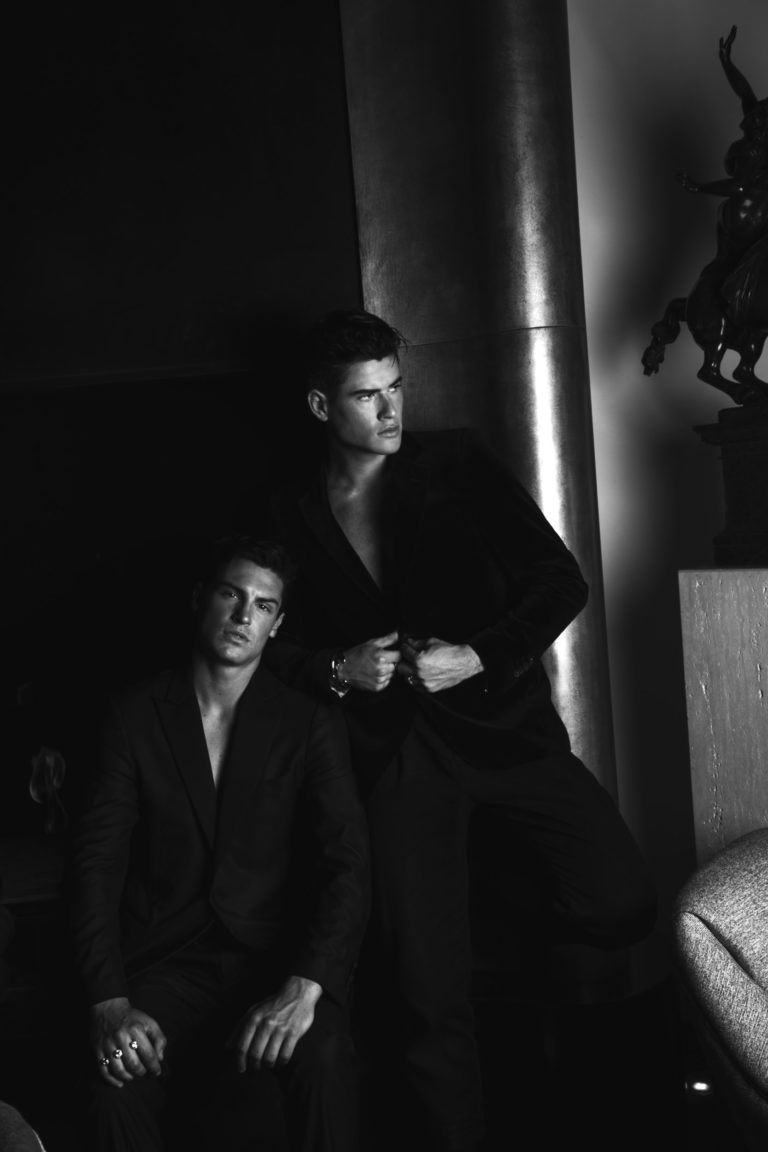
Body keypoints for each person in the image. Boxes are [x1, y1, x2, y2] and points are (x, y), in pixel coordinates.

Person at [261, 309, 658, 1152]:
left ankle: (459, 928)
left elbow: (560, 581)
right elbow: (259, 645)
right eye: (367, 396)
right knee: (425, 1004)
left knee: (621, 900)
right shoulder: (287, 512)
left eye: (396, 387)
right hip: (396, 764)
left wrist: (477, 656)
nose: (391, 409)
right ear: (321, 406)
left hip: (504, 735)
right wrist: (336, 669)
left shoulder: (457, 464)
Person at [68, 535, 370, 1152]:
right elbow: (95, 866)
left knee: (324, 1056)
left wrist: (306, 986)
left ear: (276, 625)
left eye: (263, 605)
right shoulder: (133, 715)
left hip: (277, 960)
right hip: (167, 963)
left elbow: (348, 865)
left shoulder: (309, 721)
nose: (243, 616)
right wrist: (109, 1003)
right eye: (232, 595)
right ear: (200, 599)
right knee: (114, 1078)